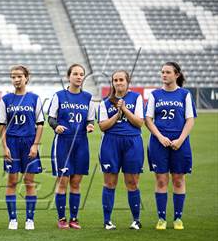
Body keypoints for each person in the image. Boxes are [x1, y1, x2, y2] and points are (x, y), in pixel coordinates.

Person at [145, 62, 196, 230]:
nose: (164, 75)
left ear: (177, 75)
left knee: (178, 179)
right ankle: (161, 218)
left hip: (180, 142)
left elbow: (190, 119)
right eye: (162, 72)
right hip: (159, 142)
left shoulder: (185, 94)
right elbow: (148, 119)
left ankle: (178, 219)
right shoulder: (155, 95)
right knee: (161, 179)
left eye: (168, 72)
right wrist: (160, 137)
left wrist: (181, 139)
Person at [48, 64, 95, 229]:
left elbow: (90, 119)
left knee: (76, 182)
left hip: (81, 143)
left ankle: (74, 219)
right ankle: (61, 219)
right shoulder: (59, 96)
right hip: (63, 142)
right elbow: (51, 118)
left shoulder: (88, 97)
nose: (79, 77)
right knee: (63, 181)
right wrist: (56, 127)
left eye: (81, 74)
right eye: (75, 74)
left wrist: (90, 126)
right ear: (69, 76)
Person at [0, 65, 44, 230]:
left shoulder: (34, 98)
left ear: (26, 78)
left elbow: (40, 124)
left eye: (19, 76)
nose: (16, 80)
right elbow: (2, 126)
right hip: (12, 143)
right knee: (11, 181)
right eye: (13, 77)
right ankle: (13, 219)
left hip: (29, 142)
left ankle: (29, 219)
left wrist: (35, 145)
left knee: (29, 182)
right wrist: (4, 147)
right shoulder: (6, 100)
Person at [98, 70, 144, 230]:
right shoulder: (105, 102)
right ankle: (107, 221)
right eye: (115, 80)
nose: (118, 83)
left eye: (121, 80)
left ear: (127, 81)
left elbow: (139, 123)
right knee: (110, 182)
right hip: (111, 143)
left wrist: (124, 110)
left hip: (132, 142)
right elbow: (102, 126)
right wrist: (117, 114)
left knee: (132, 182)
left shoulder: (136, 98)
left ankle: (136, 220)